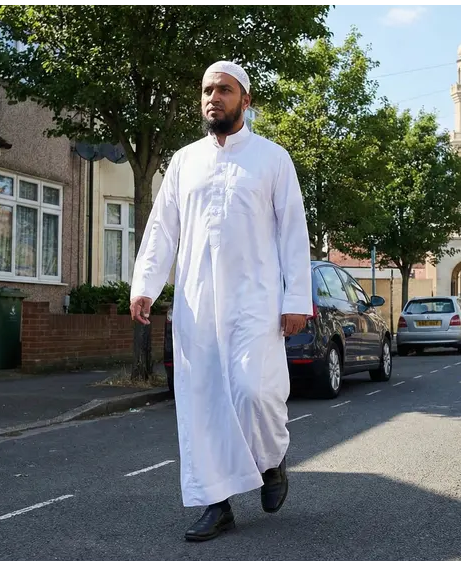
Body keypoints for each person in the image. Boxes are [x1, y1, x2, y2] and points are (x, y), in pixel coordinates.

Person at [129, 60, 313, 542]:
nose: (214, 97)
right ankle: (217, 503)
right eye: (208, 90)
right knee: (203, 404)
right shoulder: (184, 162)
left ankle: (272, 462)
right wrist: (145, 284)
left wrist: (297, 299)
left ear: (245, 100)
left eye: (225, 90)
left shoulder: (273, 159)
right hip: (197, 304)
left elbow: (294, 233)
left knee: (255, 392)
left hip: (256, 300)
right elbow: (162, 228)